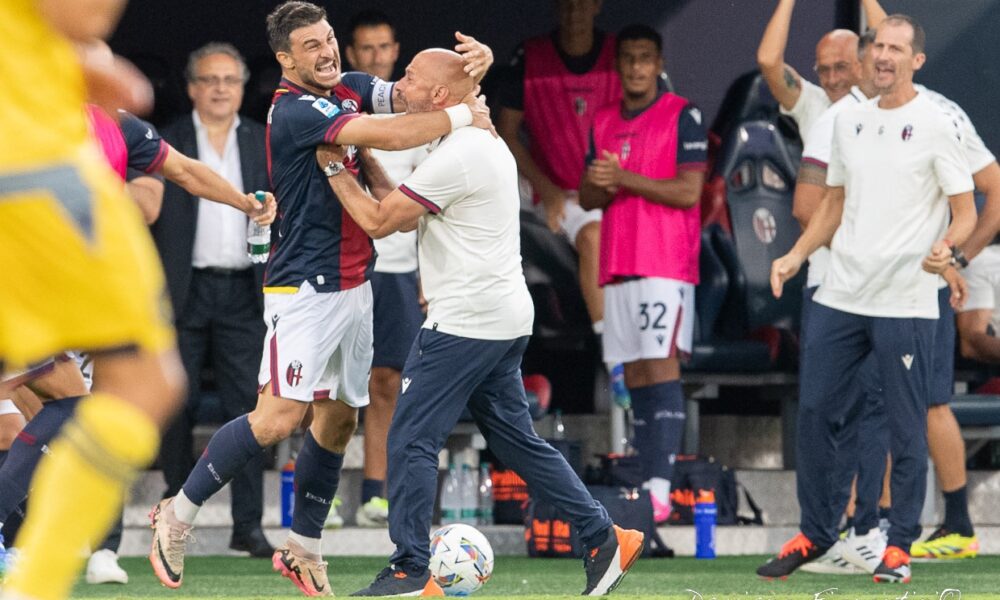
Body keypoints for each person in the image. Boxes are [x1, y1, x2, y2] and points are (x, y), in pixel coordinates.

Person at [146, 2, 495, 596]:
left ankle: (304, 548)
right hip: (304, 288)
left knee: (339, 421)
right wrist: (468, 115)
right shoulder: (295, 112)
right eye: (311, 46)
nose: (328, 51)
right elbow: (388, 134)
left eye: (329, 38)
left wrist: (472, 72)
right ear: (285, 59)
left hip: (357, 283)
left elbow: (416, 99)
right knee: (279, 417)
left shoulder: (352, 85)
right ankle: (176, 514)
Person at [319, 47, 644, 598]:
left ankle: (409, 569)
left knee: (410, 439)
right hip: (502, 317)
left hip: (467, 321)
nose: (402, 85)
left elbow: (379, 222)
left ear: (441, 98)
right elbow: (398, 199)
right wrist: (365, 161)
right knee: (516, 441)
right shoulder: (466, 140)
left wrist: (331, 163)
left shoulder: (462, 151)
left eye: (412, 78)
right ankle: (603, 535)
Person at [762, 15, 977, 584]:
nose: (884, 56)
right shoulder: (845, 119)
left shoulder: (936, 122)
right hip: (841, 293)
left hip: (906, 298)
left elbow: (966, 211)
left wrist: (947, 254)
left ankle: (898, 546)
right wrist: (797, 254)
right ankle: (816, 532)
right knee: (814, 412)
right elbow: (833, 202)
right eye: (878, 46)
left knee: (905, 426)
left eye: (896, 49)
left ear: (917, 61)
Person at [0, 2, 187, 599]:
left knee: (68, 387)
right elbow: (95, 46)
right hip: (36, 178)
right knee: (143, 383)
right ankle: (36, 581)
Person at [578, 24, 706, 525]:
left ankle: (659, 487)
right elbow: (589, 198)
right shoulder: (603, 120)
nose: (635, 67)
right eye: (628, 58)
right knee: (634, 373)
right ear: (618, 65)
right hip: (617, 260)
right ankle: (649, 485)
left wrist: (623, 178)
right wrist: (600, 182)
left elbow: (688, 192)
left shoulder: (684, 114)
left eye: (645, 58)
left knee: (661, 366)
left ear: (658, 63)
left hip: (665, 261)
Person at [151, 42, 274, 558]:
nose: (221, 88)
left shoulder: (263, 140)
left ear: (243, 86)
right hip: (181, 288)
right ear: (191, 87)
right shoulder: (168, 139)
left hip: (244, 289)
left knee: (248, 409)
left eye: (230, 79)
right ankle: (173, 514)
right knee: (172, 405)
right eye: (210, 79)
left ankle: (248, 525)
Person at [341, 8, 427, 529]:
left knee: (387, 381)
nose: (375, 57)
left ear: (396, 52)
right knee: (327, 385)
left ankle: (376, 492)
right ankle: (322, 495)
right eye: (365, 50)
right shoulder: (335, 109)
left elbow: (417, 205)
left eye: (383, 48)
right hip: (343, 263)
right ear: (353, 57)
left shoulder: (418, 117)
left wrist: (426, 276)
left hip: (397, 268)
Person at [498, 0, 619, 336]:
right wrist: (548, 190)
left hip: (604, 191)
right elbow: (505, 133)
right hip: (545, 190)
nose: (574, 12)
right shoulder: (531, 55)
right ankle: (613, 359)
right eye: (566, 5)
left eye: (582, 4)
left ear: (597, 5)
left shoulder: (619, 55)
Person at [756, 0, 865, 144]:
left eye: (841, 67)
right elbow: (768, 61)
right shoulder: (811, 104)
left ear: (862, 66)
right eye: (823, 70)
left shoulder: (882, 103)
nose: (832, 79)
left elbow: (894, 45)